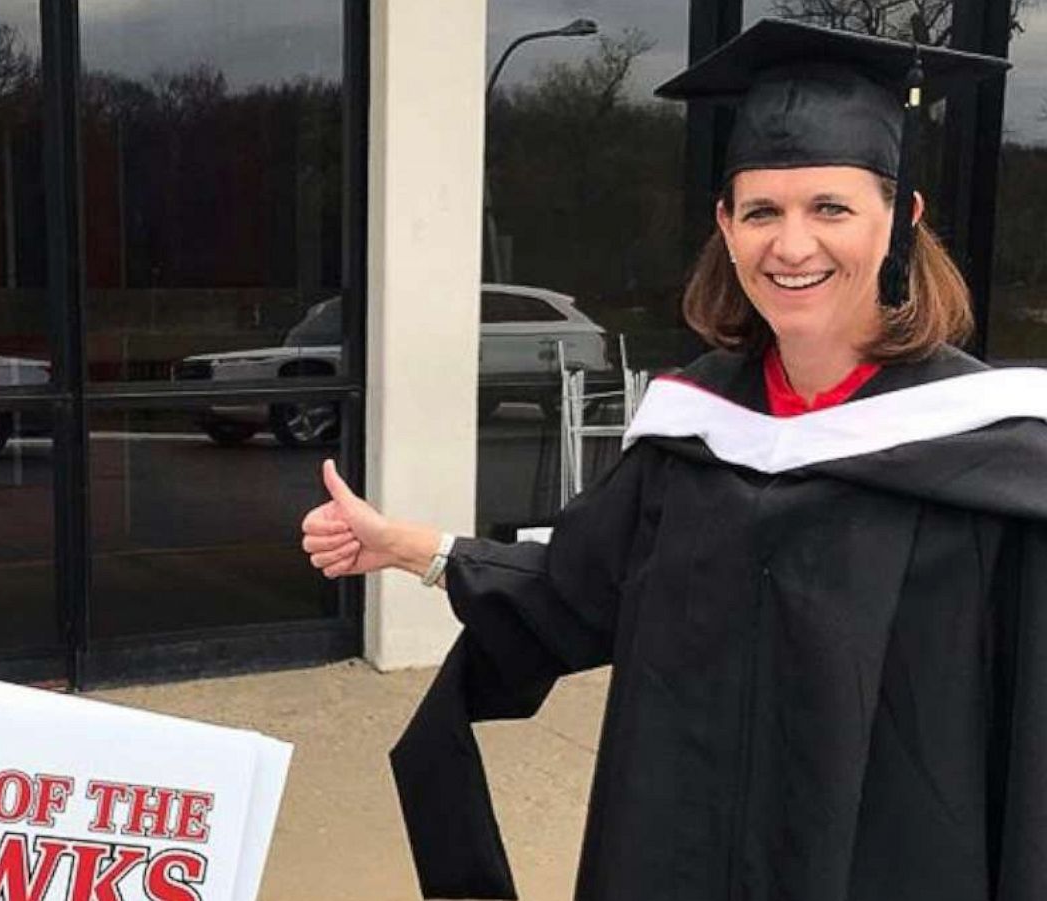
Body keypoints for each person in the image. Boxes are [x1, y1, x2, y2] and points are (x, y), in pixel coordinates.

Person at [303, 20, 1047, 901]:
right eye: (762, 210)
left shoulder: (992, 457)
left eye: (831, 208)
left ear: (902, 220)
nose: (792, 244)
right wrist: (409, 545)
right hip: (673, 859)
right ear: (725, 228)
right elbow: (577, 593)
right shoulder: (694, 427)